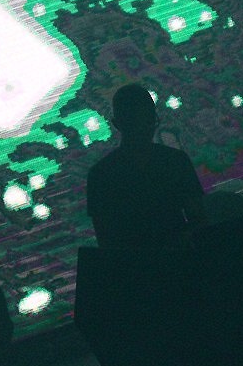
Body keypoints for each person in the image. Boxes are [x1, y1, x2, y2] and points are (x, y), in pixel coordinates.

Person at [86, 84, 206, 251]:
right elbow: (198, 220)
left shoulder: (100, 175)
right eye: (137, 121)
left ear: (116, 124)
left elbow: (106, 242)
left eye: (146, 120)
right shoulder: (176, 161)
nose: (143, 128)